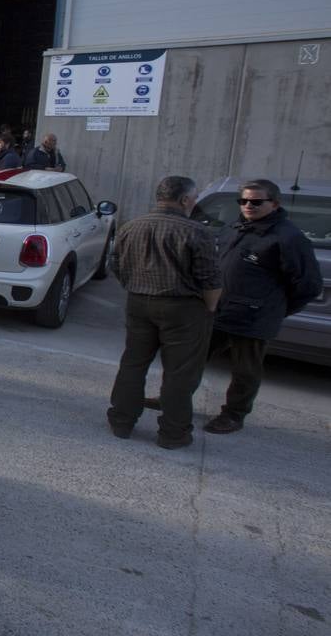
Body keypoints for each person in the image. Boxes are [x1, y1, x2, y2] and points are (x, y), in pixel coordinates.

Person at [105, 176, 221, 449]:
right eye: (193, 200)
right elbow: (210, 279)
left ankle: (121, 420)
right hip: (182, 307)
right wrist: (210, 307)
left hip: (139, 301)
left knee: (133, 363)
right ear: (184, 200)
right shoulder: (196, 232)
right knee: (180, 372)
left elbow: (116, 264)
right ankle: (173, 433)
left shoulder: (131, 225)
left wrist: (134, 285)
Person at [204, 179, 322, 434]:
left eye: (256, 202)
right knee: (193, 357)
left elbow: (309, 286)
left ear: (275, 203)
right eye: (244, 201)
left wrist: (275, 309)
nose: (249, 205)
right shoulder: (234, 228)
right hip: (221, 310)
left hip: (254, 318)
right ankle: (173, 398)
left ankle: (234, 414)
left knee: (245, 371)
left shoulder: (288, 238)